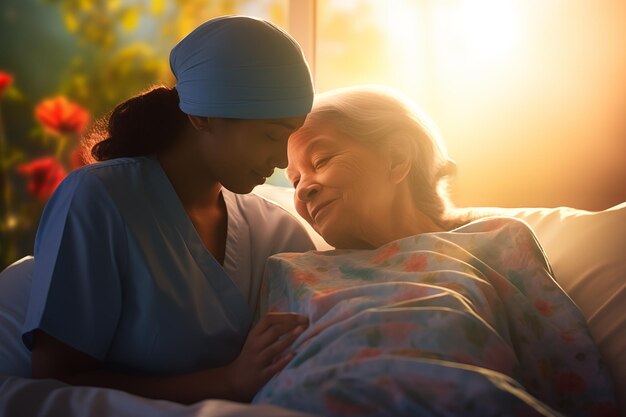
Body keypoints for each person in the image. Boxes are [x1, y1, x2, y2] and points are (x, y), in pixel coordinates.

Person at [252, 85, 618, 416]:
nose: (302, 191)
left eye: (320, 162)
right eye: (295, 180)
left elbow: (560, 360)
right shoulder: (292, 269)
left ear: (396, 158)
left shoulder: (497, 242)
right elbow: (263, 374)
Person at [21, 15, 315, 404]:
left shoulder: (278, 233)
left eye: (290, 137)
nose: (282, 159)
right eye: (270, 135)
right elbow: (56, 380)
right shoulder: (100, 199)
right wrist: (227, 382)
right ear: (202, 116)